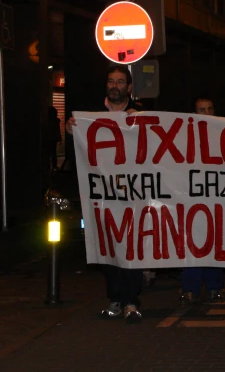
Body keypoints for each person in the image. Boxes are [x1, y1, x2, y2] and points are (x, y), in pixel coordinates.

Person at [66, 64, 145, 323]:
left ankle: (131, 301)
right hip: (102, 194)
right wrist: (71, 131)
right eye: (111, 81)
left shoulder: (141, 114)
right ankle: (115, 298)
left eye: (120, 82)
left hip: (133, 194)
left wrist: (143, 124)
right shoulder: (89, 115)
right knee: (107, 247)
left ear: (129, 87)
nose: (115, 86)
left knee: (131, 247)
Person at [179, 96, 225, 305]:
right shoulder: (183, 136)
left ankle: (215, 286)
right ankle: (190, 287)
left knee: (215, 241)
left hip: (216, 197)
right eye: (201, 110)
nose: (205, 114)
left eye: (209, 109)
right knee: (193, 242)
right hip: (192, 197)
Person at [47, 107, 61, 173]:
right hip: (53, 138)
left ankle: (48, 167)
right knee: (53, 153)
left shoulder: (47, 120)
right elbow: (57, 130)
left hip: (48, 138)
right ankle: (54, 167)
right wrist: (59, 138)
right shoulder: (56, 120)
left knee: (48, 153)